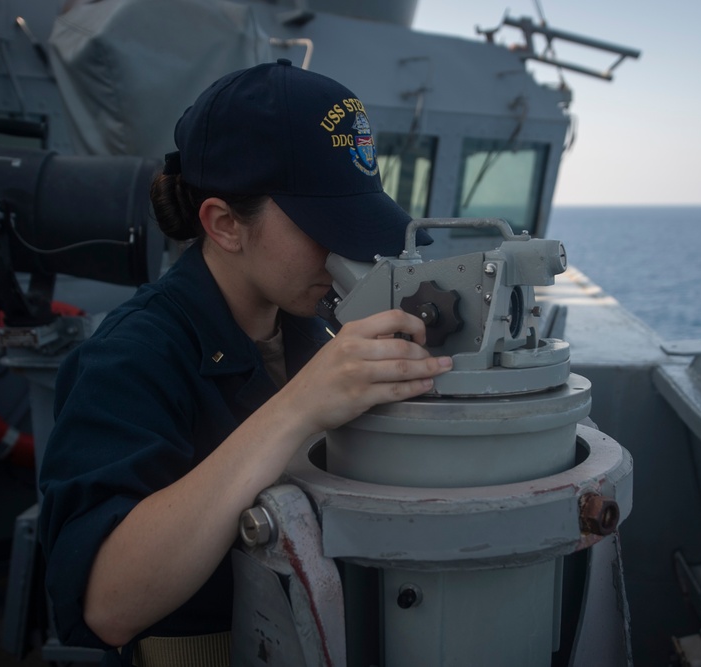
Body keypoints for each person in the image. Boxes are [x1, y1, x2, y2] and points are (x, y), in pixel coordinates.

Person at [38, 59, 451, 666]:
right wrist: (298, 407)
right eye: (323, 224)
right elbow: (106, 604)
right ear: (225, 225)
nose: (349, 249)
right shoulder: (131, 356)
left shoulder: (310, 327)